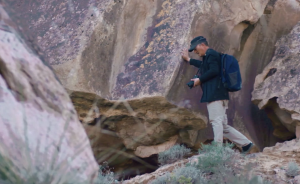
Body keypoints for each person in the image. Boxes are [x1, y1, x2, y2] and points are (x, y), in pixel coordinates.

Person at [181, 36, 253, 153]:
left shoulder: (211, 54)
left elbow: (213, 70)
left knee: (216, 121)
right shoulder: (210, 56)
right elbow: (205, 67)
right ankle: (246, 144)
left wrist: (200, 80)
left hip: (215, 95)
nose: (195, 51)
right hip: (220, 95)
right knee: (223, 126)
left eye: (195, 48)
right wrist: (189, 60)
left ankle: (218, 151)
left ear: (202, 45)